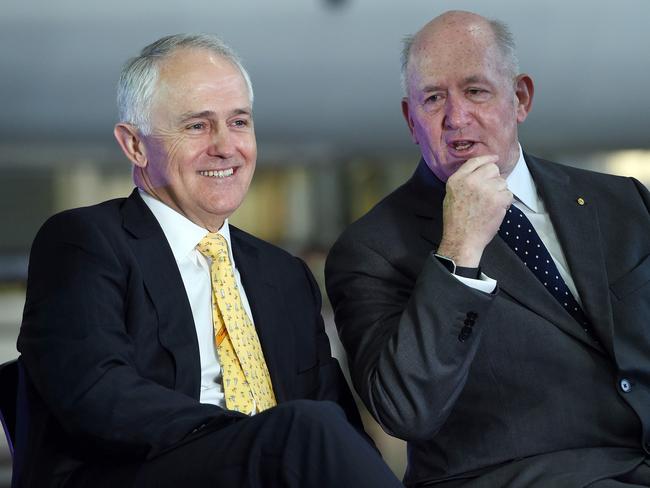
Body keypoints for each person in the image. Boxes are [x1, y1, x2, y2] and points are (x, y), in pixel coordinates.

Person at [16, 34, 402, 488]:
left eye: (238, 122)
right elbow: (95, 393)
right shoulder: (86, 242)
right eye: (197, 126)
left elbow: (337, 425)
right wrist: (257, 437)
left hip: (278, 466)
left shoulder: (284, 274)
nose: (225, 146)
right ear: (135, 145)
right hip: (137, 471)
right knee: (308, 427)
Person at [325, 10, 650, 488]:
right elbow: (406, 410)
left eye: (476, 91)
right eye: (433, 98)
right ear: (410, 119)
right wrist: (459, 248)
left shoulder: (622, 201)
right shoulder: (371, 250)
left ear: (520, 98)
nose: (456, 118)